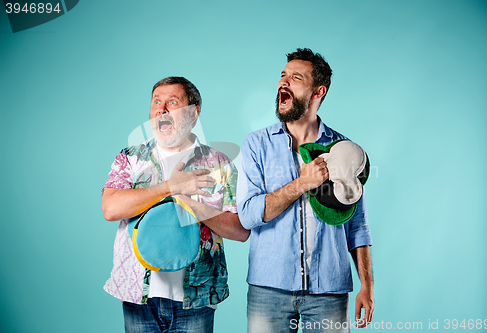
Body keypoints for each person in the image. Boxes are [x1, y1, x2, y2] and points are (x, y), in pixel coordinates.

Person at [237, 48, 374, 333]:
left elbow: (357, 225)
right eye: (282, 76)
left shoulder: (344, 149)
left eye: (295, 78)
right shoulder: (256, 145)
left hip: (329, 291)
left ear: (318, 92)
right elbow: (248, 216)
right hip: (268, 291)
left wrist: (367, 286)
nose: (283, 83)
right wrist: (302, 184)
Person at [102, 76, 249, 333]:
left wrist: (190, 204)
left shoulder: (218, 163)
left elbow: (240, 230)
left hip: (196, 298)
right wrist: (171, 187)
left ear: (193, 113)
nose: (162, 108)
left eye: (173, 101)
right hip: (139, 296)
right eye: (156, 102)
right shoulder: (130, 158)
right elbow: (110, 209)